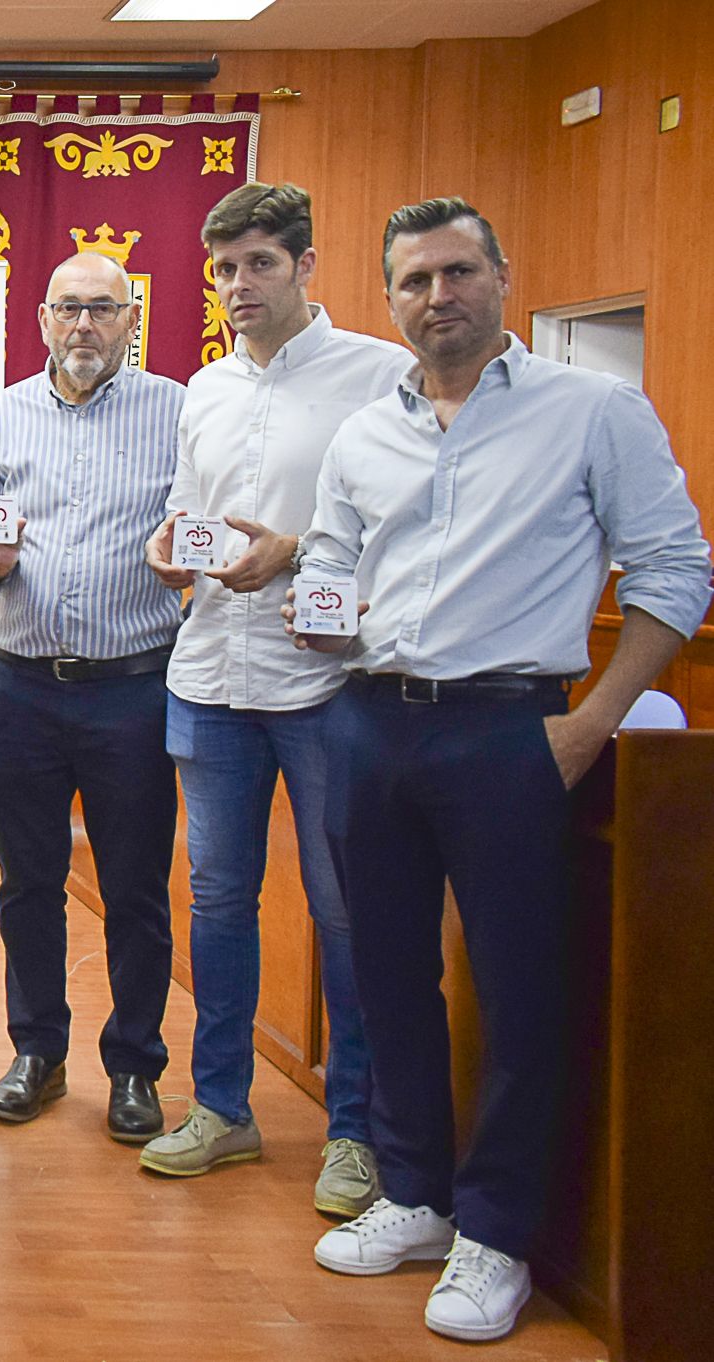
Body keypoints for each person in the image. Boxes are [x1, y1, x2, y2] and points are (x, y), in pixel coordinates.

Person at [296, 198, 709, 1343]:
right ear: (387, 299)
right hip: (366, 726)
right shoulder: (360, 428)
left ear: (499, 277)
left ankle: (495, 1234)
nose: (439, 297)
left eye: (458, 272)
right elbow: (331, 552)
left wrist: (589, 724)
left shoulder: (592, 412)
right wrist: (320, 607)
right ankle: (416, 1194)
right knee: (381, 978)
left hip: (510, 732)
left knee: (522, 990)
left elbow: (674, 573)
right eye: (416, 281)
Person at [135, 183, 409, 1215]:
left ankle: (355, 1133)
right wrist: (167, 548)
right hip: (208, 677)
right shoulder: (201, 387)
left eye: (256, 264)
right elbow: (180, 512)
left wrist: (290, 554)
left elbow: (404, 516)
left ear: (302, 264)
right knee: (213, 901)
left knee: (344, 908)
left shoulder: (379, 377)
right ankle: (221, 1110)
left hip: (325, 681)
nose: (236, 287)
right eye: (221, 271)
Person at [0, 250, 186, 1145]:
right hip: (20, 688)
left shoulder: (178, 411)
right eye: (69, 309)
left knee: (134, 889)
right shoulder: (6, 414)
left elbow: (198, 535)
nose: (85, 325)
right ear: (43, 320)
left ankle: (134, 1064)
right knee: (28, 883)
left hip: (135, 690)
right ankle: (37, 1051)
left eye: (104, 309)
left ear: (132, 320)